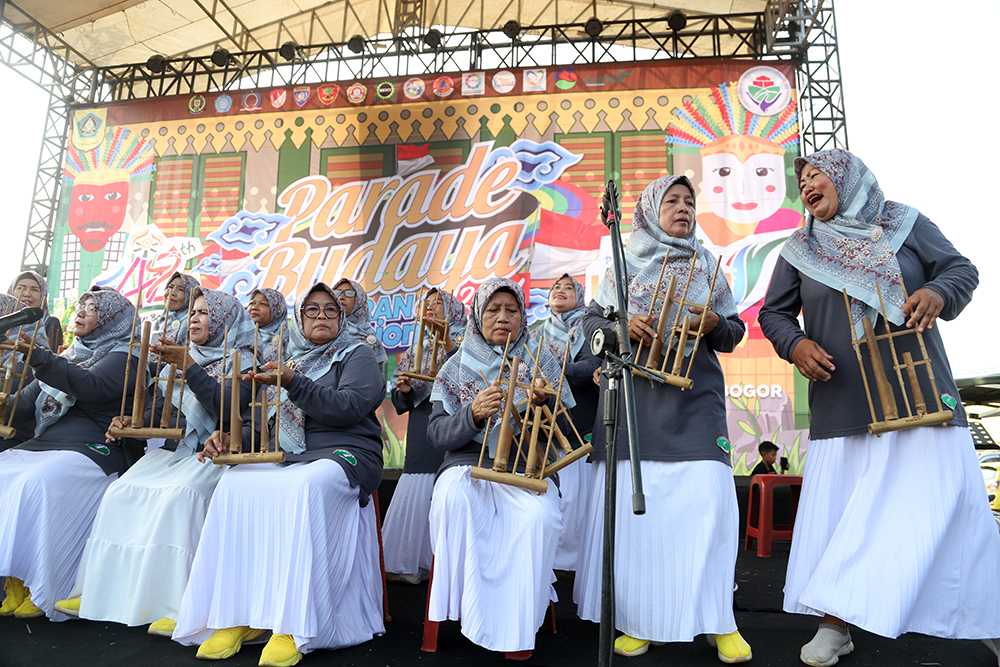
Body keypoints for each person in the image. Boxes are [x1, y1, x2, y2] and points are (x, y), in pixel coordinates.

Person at [758, 149, 1000, 667]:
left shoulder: (903, 222)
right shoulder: (800, 248)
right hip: (843, 401)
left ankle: (951, 617)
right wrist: (795, 346)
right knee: (844, 516)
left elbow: (961, 269)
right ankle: (835, 622)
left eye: (815, 175)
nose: (806, 186)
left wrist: (937, 290)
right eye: (801, 182)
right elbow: (774, 314)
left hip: (919, 392)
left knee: (932, 510)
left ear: (847, 178)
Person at [574, 175, 751, 663]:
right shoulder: (622, 265)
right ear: (650, 210)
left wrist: (716, 324)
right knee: (642, 521)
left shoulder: (708, 264)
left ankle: (719, 620)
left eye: (689, 202)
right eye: (671, 200)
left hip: (696, 401)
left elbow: (734, 329)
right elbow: (590, 323)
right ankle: (640, 620)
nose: (683, 208)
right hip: (635, 404)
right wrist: (619, 325)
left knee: (709, 505)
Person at [171, 282, 386, 666]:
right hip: (293, 454)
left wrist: (292, 382)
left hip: (347, 450)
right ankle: (239, 614)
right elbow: (262, 426)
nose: (321, 317)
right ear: (300, 318)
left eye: (330, 310)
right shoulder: (289, 360)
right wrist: (227, 439)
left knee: (308, 486)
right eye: (312, 310)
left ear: (341, 318)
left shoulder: (358, 354)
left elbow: (349, 407)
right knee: (235, 483)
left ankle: (294, 624)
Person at [53, 288, 256, 636]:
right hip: (175, 452)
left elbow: (227, 410)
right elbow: (162, 413)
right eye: (193, 312)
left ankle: (177, 605)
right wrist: (134, 424)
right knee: (122, 491)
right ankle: (99, 591)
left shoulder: (246, 363)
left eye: (205, 313)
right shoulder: (181, 359)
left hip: (217, 454)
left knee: (181, 496)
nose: (194, 317)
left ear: (225, 319)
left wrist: (190, 367)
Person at [426, 277, 572, 657]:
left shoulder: (543, 360)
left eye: (512, 309)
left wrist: (541, 405)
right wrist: (472, 415)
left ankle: (516, 625)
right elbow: (438, 435)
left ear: (524, 317)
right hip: (466, 463)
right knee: (455, 501)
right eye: (493, 309)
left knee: (536, 519)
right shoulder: (455, 367)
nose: (503, 317)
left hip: (528, 468)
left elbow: (567, 431)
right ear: (478, 314)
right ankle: (464, 608)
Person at [0, 289, 139, 620]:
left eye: (93, 309)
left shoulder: (127, 355)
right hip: (46, 442)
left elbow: (92, 385)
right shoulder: (74, 354)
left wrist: (41, 359)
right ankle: (15, 578)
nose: (81, 312)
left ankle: (42, 583)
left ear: (113, 320)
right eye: (81, 306)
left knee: (37, 481)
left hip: (96, 447)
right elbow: (21, 408)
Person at [382, 288, 466, 584]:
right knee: (418, 482)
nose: (430, 308)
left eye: (438, 303)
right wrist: (404, 391)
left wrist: (449, 344)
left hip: (453, 422)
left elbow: (467, 378)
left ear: (454, 309)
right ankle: (413, 563)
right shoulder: (416, 348)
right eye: (426, 304)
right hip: (421, 423)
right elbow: (402, 404)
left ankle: (447, 565)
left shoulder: (468, 342)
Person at [532, 273, 601, 571]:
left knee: (574, 499)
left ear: (581, 296)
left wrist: (553, 367)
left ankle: (572, 563)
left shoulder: (585, 328)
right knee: (548, 497)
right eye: (555, 287)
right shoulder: (536, 333)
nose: (560, 291)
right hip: (543, 424)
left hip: (577, 423)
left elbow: (591, 367)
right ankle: (549, 557)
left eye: (568, 288)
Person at [333, 278, 387, 371]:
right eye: (337, 292)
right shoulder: (322, 331)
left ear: (359, 301)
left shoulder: (369, 341)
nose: (341, 296)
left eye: (349, 293)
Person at [9, 270, 58, 351]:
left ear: (42, 295)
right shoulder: (3, 320)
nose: (27, 294)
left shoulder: (50, 322)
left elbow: (51, 359)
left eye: (34, 290)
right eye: (21, 288)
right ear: (11, 292)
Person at [247, 287, 290, 364]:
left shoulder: (288, 340)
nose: (254, 307)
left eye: (262, 304)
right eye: (252, 303)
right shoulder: (241, 337)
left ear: (277, 310)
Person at [157, 272, 200, 345]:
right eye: (170, 287)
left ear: (191, 296)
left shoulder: (194, 322)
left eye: (180, 289)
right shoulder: (159, 322)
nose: (172, 292)